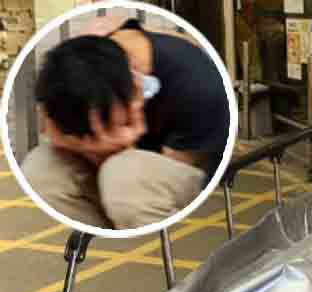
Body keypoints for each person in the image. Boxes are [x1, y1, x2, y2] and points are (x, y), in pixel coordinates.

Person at [22, 18, 229, 230]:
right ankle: (103, 240)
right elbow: (51, 119)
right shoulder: (86, 61)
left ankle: (158, 244)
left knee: (125, 177)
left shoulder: (197, 89)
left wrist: (119, 147)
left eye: (114, 122)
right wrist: (78, 144)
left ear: (135, 81)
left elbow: (179, 171)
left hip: (183, 175)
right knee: (41, 169)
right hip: (118, 185)